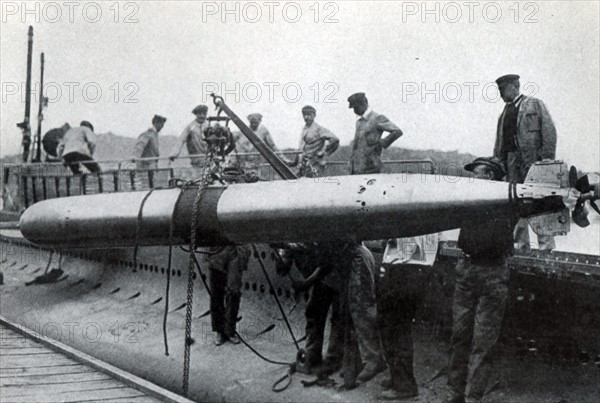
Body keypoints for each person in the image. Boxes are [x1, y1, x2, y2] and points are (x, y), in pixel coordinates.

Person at [446, 156, 517, 403]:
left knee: (483, 341)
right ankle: (455, 393)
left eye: (475, 173)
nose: (471, 178)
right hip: (467, 269)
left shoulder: (507, 202)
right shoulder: (469, 200)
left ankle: (472, 397)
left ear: (489, 176)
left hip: (493, 272)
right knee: (459, 334)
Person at [493, 74, 557, 251]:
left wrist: (546, 160)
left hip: (533, 162)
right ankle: (522, 247)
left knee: (539, 201)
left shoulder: (534, 104)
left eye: (503, 89)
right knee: (516, 203)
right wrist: (498, 162)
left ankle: (546, 247)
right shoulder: (504, 113)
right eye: (499, 90)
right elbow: (499, 142)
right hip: (511, 162)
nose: (500, 93)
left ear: (515, 86)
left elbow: (549, 130)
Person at [376, 234, 439, 400]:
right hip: (407, 265)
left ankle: (404, 384)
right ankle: (398, 377)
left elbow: (406, 240)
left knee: (397, 326)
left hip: (407, 267)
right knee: (391, 325)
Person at [275, 242, 344, 375]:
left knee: (338, 317)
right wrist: (279, 254)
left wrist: (306, 284)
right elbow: (282, 270)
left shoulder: (314, 232)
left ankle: (334, 359)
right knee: (314, 312)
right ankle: (313, 353)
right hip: (320, 277)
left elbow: (325, 264)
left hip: (337, 270)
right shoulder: (292, 235)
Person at [347, 92, 403, 175]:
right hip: (356, 168)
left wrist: (383, 142)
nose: (354, 111)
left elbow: (397, 131)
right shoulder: (359, 122)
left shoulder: (377, 118)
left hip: (371, 168)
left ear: (364, 103)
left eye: (356, 107)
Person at [295, 105, 339, 178]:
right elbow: (301, 148)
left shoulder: (318, 129)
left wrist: (323, 152)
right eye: (304, 114)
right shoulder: (304, 129)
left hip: (315, 166)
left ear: (314, 115)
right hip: (303, 167)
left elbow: (335, 139)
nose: (306, 117)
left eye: (309, 114)